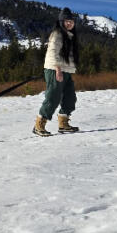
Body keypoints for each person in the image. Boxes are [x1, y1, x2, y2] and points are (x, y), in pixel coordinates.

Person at [34, 7, 81, 136]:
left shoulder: (70, 36)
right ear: (61, 22)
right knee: (53, 98)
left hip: (66, 71)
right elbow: (53, 52)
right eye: (66, 21)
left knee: (70, 97)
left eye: (71, 21)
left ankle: (63, 123)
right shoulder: (57, 34)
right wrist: (57, 69)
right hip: (55, 69)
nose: (69, 23)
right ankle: (39, 124)